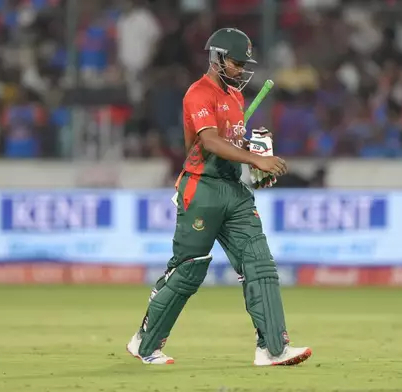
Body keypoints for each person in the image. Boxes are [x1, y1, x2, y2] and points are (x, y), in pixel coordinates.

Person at [126, 28, 312, 367]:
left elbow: (233, 145)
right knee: (188, 272)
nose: (241, 70)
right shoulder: (198, 93)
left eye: (244, 64)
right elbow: (210, 141)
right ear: (217, 58)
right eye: (236, 63)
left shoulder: (236, 97)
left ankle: (272, 348)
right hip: (202, 188)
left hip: (234, 191)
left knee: (260, 265)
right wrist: (255, 158)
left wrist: (258, 153)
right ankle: (146, 342)